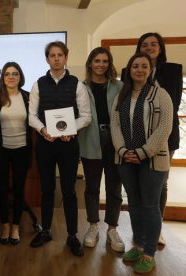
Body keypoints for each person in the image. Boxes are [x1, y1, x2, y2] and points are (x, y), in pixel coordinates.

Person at [111, 52, 173, 273]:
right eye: (135, 66)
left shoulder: (161, 95)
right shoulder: (122, 96)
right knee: (134, 204)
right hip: (125, 158)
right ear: (129, 69)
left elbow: (165, 128)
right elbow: (115, 126)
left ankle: (149, 252)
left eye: (144, 66)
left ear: (150, 70)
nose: (139, 70)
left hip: (153, 160)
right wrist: (123, 150)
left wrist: (143, 152)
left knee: (150, 205)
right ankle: (137, 245)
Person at [28, 41, 91, 257]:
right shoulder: (38, 84)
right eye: (52, 55)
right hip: (45, 144)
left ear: (66, 57)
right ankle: (45, 231)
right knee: (46, 189)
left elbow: (86, 116)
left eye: (60, 55)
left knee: (70, 191)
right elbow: (32, 116)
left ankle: (72, 235)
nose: (56, 58)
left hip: (68, 144)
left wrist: (72, 129)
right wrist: (44, 129)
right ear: (47, 59)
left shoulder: (77, 84)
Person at [122, 32, 183, 245]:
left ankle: (157, 229)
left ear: (161, 47)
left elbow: (172, 106)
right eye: (144, 44)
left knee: (160, 184)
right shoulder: (127, 72)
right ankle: (141, 235)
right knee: (137, 190)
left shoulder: (173, 70)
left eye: (153, 44)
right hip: (132, 140)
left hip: (164, 137)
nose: (149, 47)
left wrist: (152, 144)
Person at [78, 47, 125, 252]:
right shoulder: (80, 87)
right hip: (90, 140)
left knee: (114, 188)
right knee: (92, 187)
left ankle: (112, 229)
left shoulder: (120, 86)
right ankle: (93, 226)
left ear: (109, 64)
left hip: (115, 142)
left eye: (105, 61)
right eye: (97, 61)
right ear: (90, 63)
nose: (101, 65)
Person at [0, 62, 32, 246]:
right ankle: (5, 225)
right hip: (1, 151)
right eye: (7, 74)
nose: (11, 77)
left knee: (19, 189)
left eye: (15, 74)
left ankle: (15, 226)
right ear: (2, 77)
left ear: (20, 77)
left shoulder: (28, 97)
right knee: (1, 190)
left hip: (22, 149)